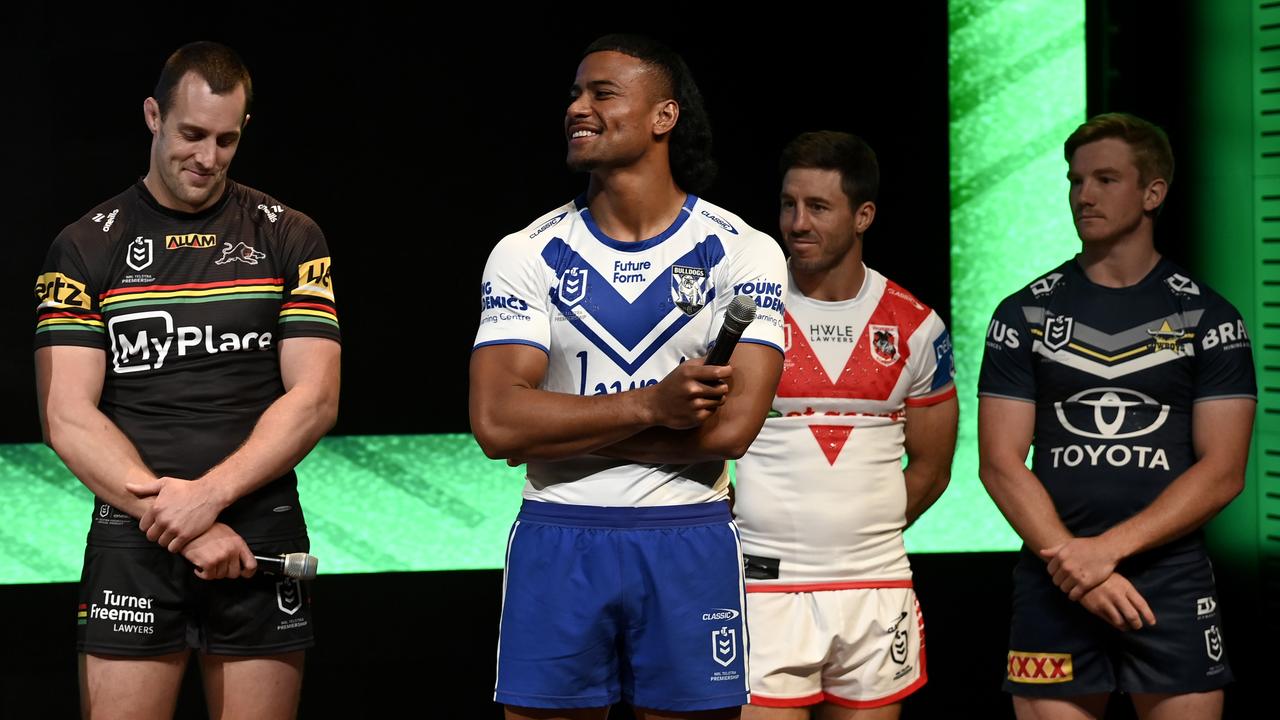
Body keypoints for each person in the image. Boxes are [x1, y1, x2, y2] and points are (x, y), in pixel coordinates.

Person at [469, 34, 787, 720]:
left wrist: (554, 431)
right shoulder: (526, 253)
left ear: (662, 118)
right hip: (558, 536)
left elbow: (730, 431)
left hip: (689, 535)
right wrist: (654, 405)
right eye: (574, 95)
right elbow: (497, 424)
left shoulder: (745, 251)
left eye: (601, 93)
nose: (577, 108)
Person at [35, 42, 340, 719]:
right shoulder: (86, 245)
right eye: (192, 134)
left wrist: (210, 498)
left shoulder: (292, 236)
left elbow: (315, 399)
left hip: (260, 528)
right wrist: (182, 522)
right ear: (153, 116)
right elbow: (67, 416)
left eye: (227, 140)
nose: (208, 157)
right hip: (133, 536)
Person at [977, 113, 1255, 720]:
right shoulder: (1022, 312)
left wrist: (1104, 552)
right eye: (1076, 180)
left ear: (1152, 192)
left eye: (1105, 179)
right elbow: (999, 464)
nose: (1083, 195)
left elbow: (1224, 470)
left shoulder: (1210, 316)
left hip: (1172, 584)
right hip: (1055, 584)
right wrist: (1077, 564)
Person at [733, 131, 958, 719]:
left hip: (876, 587)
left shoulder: (917, 327)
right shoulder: (738, 312)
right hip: (762, 589)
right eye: (788, 204)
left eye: (818, 207)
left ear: (864, 215)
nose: (797, 223)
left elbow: (933, 469)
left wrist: (861, 532)